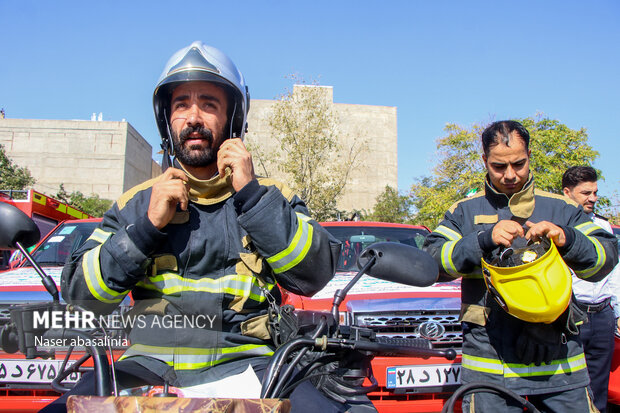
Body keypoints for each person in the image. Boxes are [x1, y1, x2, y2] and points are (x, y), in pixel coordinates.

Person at [42, 41, 353, 412]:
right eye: (181, 105)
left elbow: (313, 273)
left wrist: (252, 198)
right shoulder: (135, 204)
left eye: (209, 104)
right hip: (146, 369)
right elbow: (82, 299)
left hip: (251, 366)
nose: (193, 117)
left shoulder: (273, 196)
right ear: (166, 119)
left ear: (232, 119)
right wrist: (145, 227)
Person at [423, 120, 618, 412]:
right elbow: (431, 262)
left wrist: (567, 239)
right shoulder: (463, 211)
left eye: (519, 164)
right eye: (499, 167)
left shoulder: (563, 209)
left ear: (529, 156)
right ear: (484, 161)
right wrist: (482, 240)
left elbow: (603, 261)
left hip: (560, 365)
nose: (510, 175)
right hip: (490, 369)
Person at [562, 165, 620, 413]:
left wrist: (617, 312)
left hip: (603, 315)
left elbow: (615, 274)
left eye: (595, 192)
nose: (593, 198)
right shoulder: (555, 229)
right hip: (571, 316)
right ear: (567, 192)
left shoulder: (604, 229)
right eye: (586, 192)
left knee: (599, 389)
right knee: (566, 387)